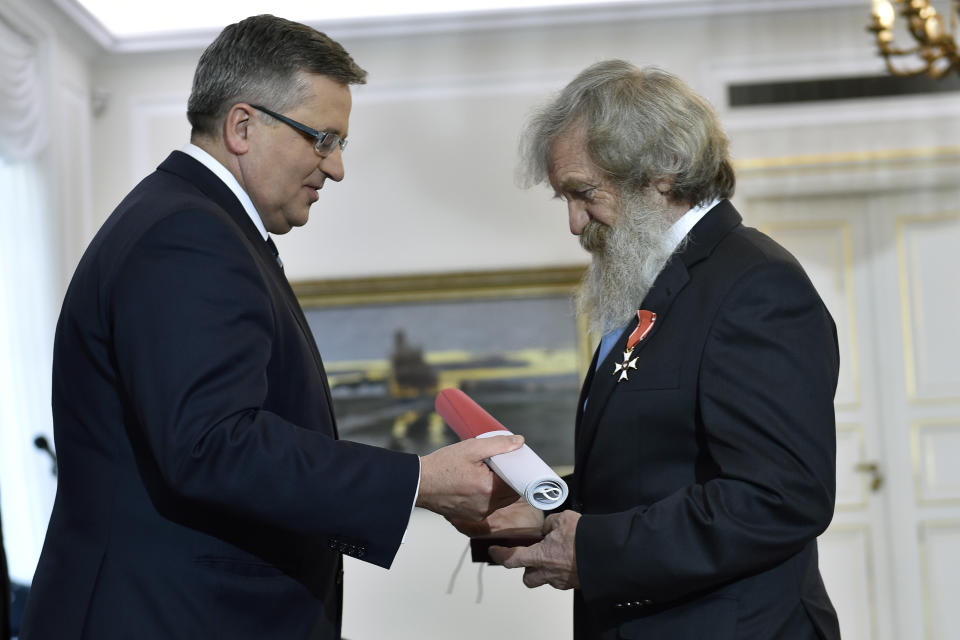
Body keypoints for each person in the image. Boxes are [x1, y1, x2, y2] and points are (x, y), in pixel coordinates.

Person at [19, 15, 523, 640]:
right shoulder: (189, 234)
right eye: (321, 139)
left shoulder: (193, 224)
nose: (335, 168)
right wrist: (419, 481)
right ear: (242, 125)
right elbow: (214, 443)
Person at [462, 61, 842, 639]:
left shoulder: (754, 285)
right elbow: (652, 468)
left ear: (662, 172)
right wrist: (542, 511)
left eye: (584, 193)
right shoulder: (657, 282)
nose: (573, 222)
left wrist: (591, 548)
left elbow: (781, 497)